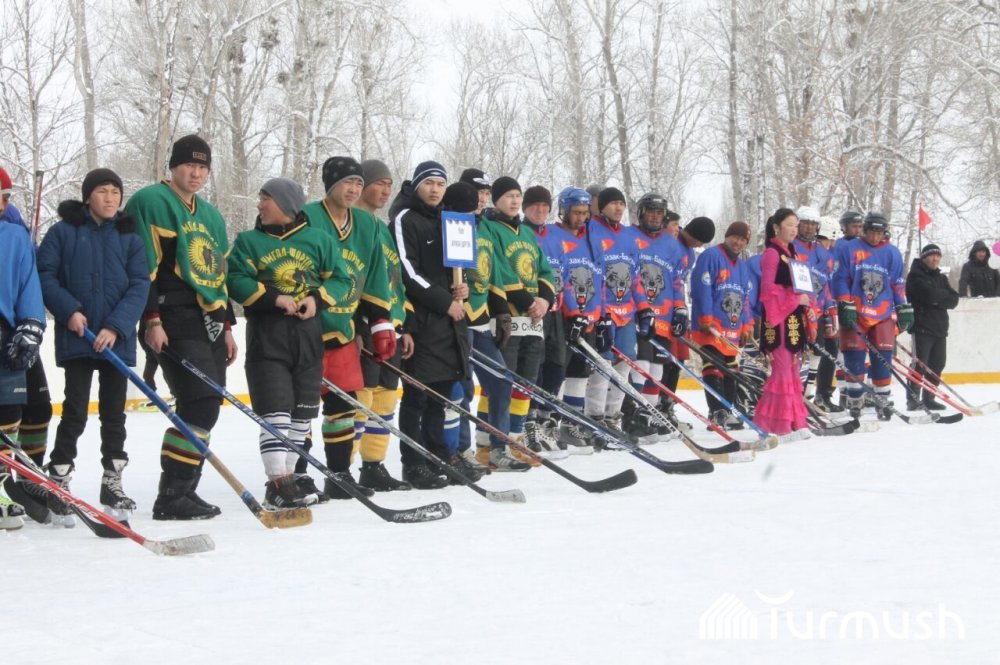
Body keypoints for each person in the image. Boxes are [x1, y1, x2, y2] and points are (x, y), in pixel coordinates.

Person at [126, 134, 238, 520]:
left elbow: (218, 277)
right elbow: (142, 266)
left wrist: (227, 325)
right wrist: (151, 319)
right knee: (199, 399)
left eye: (203, 167)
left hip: (207, 320)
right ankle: (172, 493)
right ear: (173, 166)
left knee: (207, 403)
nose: (196, 173)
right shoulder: (151, 201)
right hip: (171, 314)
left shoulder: (211, 215)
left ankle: (183, 490)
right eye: (190, 164)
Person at [229, 178, 358, 507]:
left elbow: (342, 278)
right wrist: (274, 298)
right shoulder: (249, 241)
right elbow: (235, 279)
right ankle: (278, 482)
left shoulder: (319, 240)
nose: (259, 205)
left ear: (286, 204)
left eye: (266, 198)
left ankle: (288, 481)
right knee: (276, 412)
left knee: (302, 414)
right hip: (267, 335)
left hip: (308, 335)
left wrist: (316, 299)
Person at [35, 168, 150, 520]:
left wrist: (116, 327)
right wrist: (69, 311)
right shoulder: (63, 233)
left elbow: (139, 285)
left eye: (115, 191)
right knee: (75, 410)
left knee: (114, 414)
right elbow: (45, 275)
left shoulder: (130, 237)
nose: (110, 198)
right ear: (88, 197)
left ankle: (112, 481)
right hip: (79, 339)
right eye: (102, 191)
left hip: (115, 343)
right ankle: (59, 478)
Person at [301, 156, 395, 498]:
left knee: (343, 405)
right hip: (305, 327)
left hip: (344, 328)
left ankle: (339, 475)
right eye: (346, 182)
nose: (354, 189)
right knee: (301, 407)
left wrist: (380, 321)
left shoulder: (367, 224)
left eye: (358, 182)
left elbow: (375, 274)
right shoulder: (306, 217)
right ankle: (297, 475)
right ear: (330, 185)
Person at [390, 161, 470, 488]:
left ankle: (438, 456)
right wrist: (444, 302)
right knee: (417, 397)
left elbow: (456, 267)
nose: (435, 189)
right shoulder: (405, 218)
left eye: (440, 183)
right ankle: (413, 463)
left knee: (440, 397)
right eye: (429, 183)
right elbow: (407, 273)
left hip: (449, 325)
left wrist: (462, 288)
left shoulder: (447, 220)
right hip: (422, 322)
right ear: (416, 185)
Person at [476, 177, 555, 468]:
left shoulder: (526, 232)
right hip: (507, 316)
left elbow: (544, 270)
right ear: (496, 199)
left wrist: (544, 299)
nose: (514, 201)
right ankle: (486, 444)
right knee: (499, 383)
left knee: (525, 383)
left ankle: (514, 440)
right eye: (508, 196)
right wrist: (526, 300)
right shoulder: (489, 228)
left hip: (533, 319)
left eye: (517, 196)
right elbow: (497, 268)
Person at [350, 158, 414, 491]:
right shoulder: (350, 224)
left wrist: (403, 324)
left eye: (390, 185)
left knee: (386, 398)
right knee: (361, 399)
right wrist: (355, 325)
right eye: (379, 183)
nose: (386, 190)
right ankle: (343, 468)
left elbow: (395, 281)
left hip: (391, 326)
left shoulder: (383, 230)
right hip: (363, 325)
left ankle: (373, 466)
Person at [0, 166, 53, 519]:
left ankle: (18, 480)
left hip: (7, 331)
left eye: (5, 198)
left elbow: (27, 282)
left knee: (15, 410)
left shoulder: (14, 234)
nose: (3, 204)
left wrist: (31, 323)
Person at [585, 187, 653, 441]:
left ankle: (613, 416)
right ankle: (594, 418)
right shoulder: (591, 230)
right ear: (601, 206)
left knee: (624, 364)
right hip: (603, 312)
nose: (618, 208)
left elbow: (635, 278)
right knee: (602, 364)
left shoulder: (628, 236)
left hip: (626, 312)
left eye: (621, 203)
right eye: (613, 203)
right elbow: (591, 274)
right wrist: (601, 311)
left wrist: (644, 308)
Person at [831, 212, 912, 420]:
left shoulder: (892, 253)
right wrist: (844, 301)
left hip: (882, 313)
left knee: (883, 358)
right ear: (864, 230)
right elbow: (840, 278)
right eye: (871, 232)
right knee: (854, 357)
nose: (875, 237)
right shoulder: (849, 249)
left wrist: (902, 306)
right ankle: (855, 399)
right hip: (856, 312)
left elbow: (897, 283)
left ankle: (882, 399)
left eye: (879, 233)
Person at [627, 192, 685, 442]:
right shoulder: (629, 236)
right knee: (642, 363)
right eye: (650, 211)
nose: (654, 216)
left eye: (659, 213)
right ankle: (634, 412)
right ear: (641, 213)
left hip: (663, 316)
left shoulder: (672, 244)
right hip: (638, 313)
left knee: (658, 366)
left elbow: (677, 280)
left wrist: (680, 308)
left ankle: (648, 414)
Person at [753, 209, 813, 436]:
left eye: (796, 225)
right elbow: (768, 291)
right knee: (783, 371)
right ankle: (777, 424)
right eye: (790, 225)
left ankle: (795, 421)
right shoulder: (772, 253)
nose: (794, 230)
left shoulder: (793, 253)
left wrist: (806, 303)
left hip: (793, 317)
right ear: (776, 227)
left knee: (793, 370)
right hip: (777, 318)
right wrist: (795, 299)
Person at [552, 187, 604, 452]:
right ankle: (551, 422)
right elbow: (557, 279)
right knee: (557, 371)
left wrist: (602, 315)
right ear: (563, 210)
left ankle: (572, 424)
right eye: (576, 212)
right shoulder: (552, 235)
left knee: (580, 372)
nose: (581, 218)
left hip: (588, 318)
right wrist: (571, 312)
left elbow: (599, 278)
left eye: (585, 213)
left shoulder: (592, 239)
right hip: (563, 317)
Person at [690, 221, 753, 429]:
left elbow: (745, 298)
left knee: (731, 369)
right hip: (711, 326)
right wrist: (705, 315)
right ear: (727, 236)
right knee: (714, 364)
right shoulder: (711, 256)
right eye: (735, 237)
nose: (738, 243)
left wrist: (747, 324)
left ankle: (728, 411)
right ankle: (717, 411)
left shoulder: (742, 266)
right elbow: (702, 287)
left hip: (732, 328)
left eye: (743, 240)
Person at [658, 216, 714, 429]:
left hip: (678, 311)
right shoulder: (671, 243)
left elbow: (680, 283)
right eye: (699, 241)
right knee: (664, 360)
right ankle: (656, 406)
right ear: (692, 235)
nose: (699, 246)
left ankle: (667, 406)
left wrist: (681, 309)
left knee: (677, 361)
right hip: (663, 310)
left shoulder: (690, 253)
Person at [905, 244, 959, 410]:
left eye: (938, 256)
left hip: (940, 328)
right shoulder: (915, 275)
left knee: (938, 364)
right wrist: (940, 298)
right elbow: (929, 295)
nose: (935, 259)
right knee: (920, 364)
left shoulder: (941, 278)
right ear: (924, 257)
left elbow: (954, 299)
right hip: (922, 327)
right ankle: (913, 399)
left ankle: (929, 398)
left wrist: (937, 299)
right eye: (932, 256)